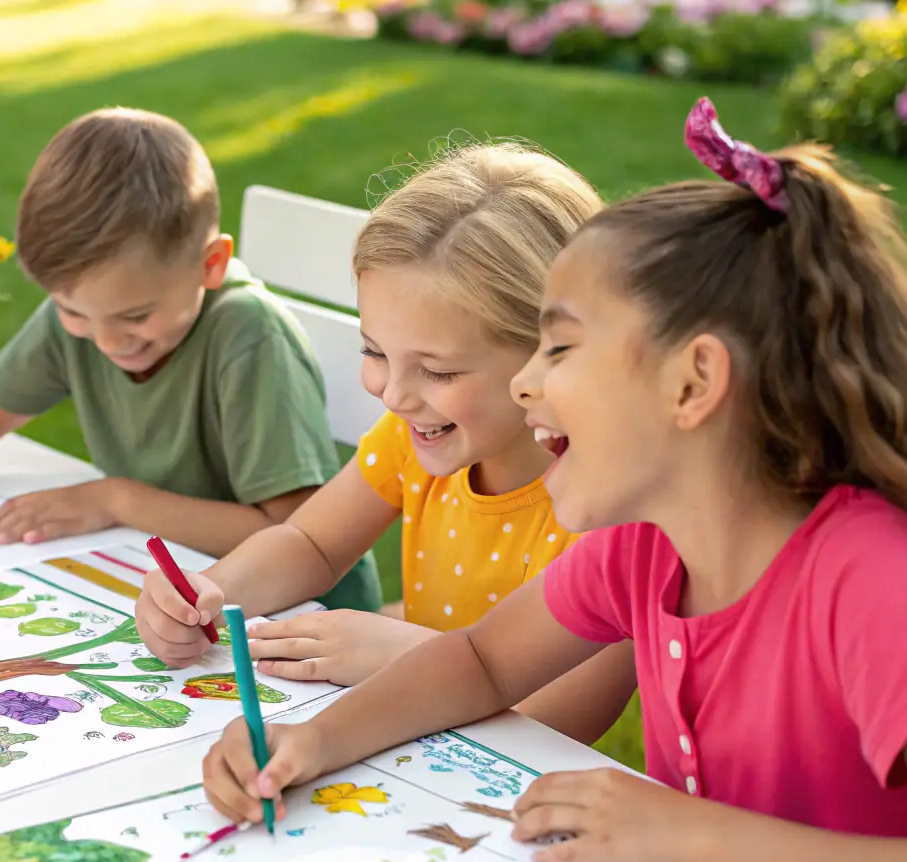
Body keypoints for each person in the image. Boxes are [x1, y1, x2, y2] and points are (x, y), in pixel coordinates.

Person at [198, 98, 907, 862]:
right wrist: (312, 739)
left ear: (692, 383)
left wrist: (695, 835)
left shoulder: (873, 586)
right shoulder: (644, 545)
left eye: (557, 351)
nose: (525, 386)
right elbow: (480, 662)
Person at [134, 139, 636, 722]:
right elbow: (312, 545)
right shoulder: (416, 435)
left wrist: (400, 654)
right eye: (375, 351)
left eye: (439, 370)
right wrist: (206, 592)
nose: (394, 395)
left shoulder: (617, 512)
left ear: (555, 356)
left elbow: (565, 718)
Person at [0, 107, 380, 612]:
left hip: (303, 624)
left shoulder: (250, 337)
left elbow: (294, 535)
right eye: (73, 311)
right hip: (173, 592)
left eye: (135, 315)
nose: (105, 340)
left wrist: (115, 501)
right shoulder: (81, 320)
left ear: (210, 265)